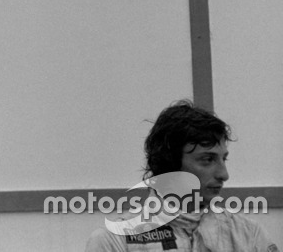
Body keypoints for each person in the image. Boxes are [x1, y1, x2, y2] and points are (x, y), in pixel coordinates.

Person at [85, 100, 278, 251]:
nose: (223, 174)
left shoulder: (249, 235)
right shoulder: (115, 241)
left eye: (223, 159)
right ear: (170, 163)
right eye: (207, 159)